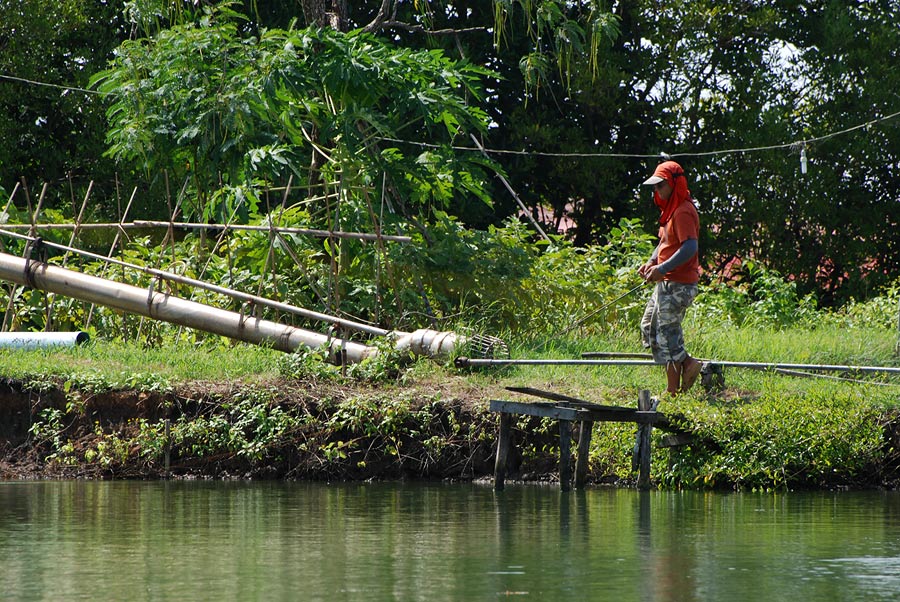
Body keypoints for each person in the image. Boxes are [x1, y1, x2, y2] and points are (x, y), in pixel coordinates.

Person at [637, 160, 702, 395]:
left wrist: (662, 269)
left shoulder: (684, 210)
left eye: (660, 186)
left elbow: (690, 248)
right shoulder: (671, 211)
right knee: (649, 326)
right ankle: (687, 364)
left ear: (675, 184)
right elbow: (665, 243)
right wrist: (652, 263)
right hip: (666, 281)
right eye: (654, 187)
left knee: (667, 332)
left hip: (679, 284)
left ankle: (672, 391)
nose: (656, 191)